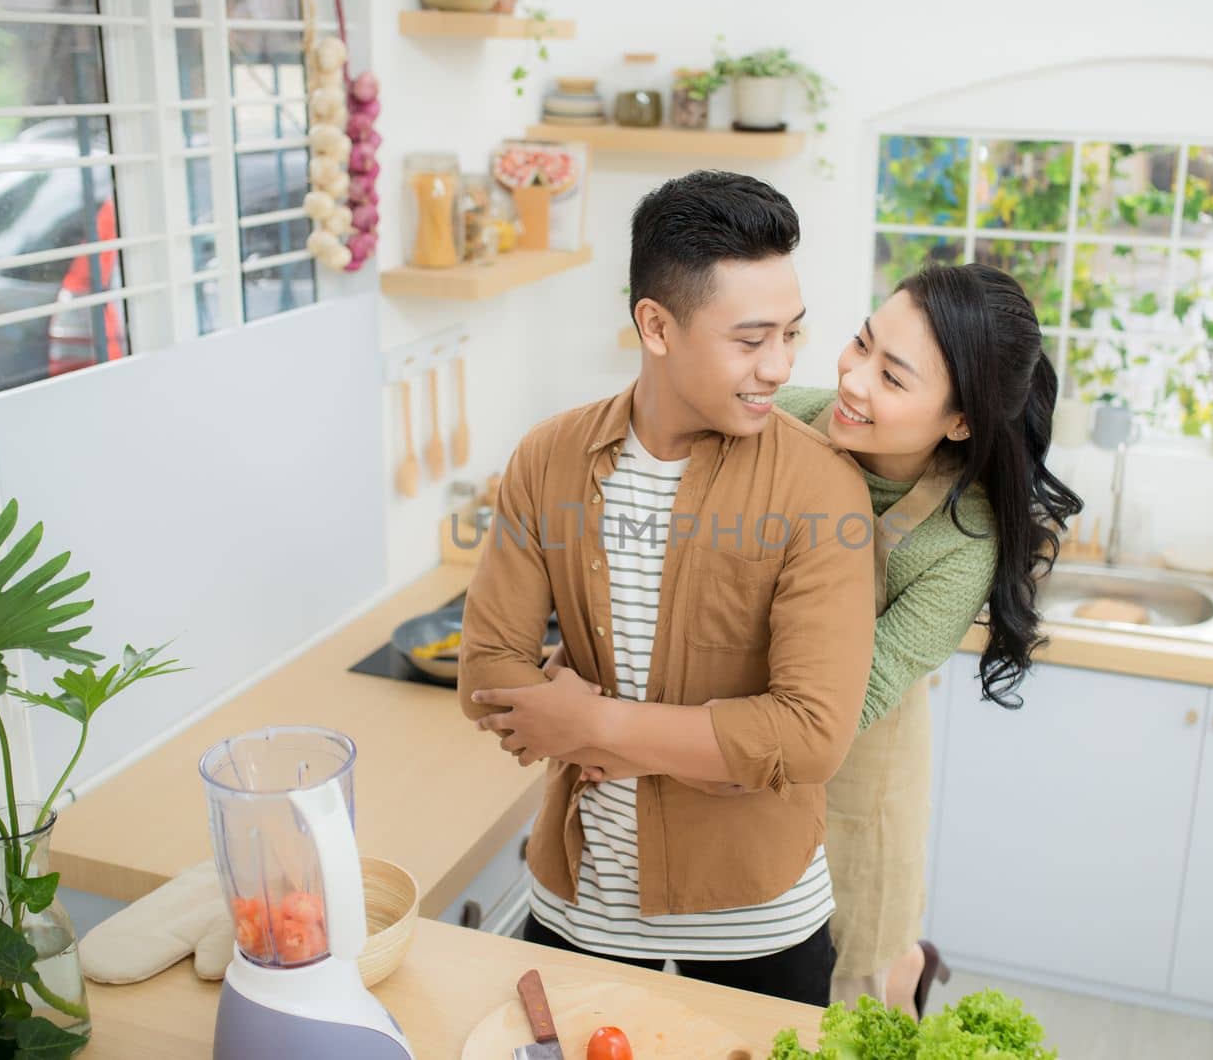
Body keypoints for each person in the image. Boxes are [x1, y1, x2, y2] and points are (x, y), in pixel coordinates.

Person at [457, 170, 876, 1006]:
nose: (780, 366)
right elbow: (487, 677)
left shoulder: (821, 487)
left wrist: (593, 723)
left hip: (760, 919)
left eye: (791, 335)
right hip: (583, 910)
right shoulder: (548, 459)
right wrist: (715, 753)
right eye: (750, 339)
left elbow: (810, 738)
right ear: (656, 324)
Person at [775, 262, 1082, 1015]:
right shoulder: (781, 421)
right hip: (757, 732)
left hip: (857, 758)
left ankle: (906, 972)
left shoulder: (961, 537)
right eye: (860, 344)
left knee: (848, 982)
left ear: (961, 420)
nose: (853, 379)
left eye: (893, 376)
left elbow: (856, 695)